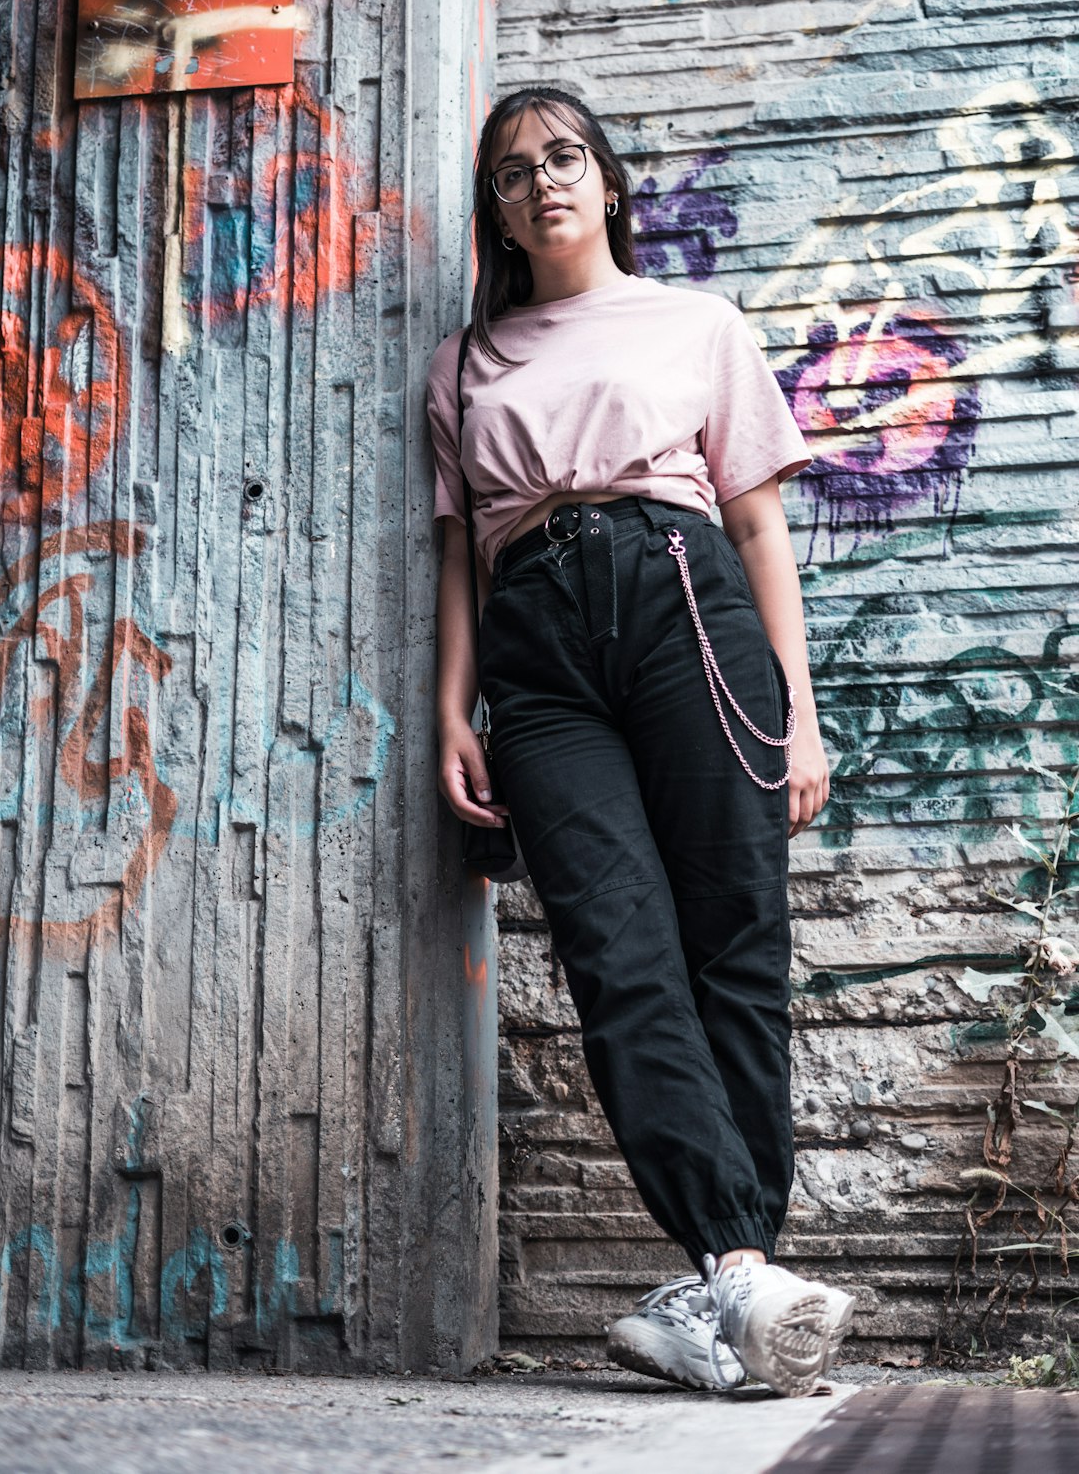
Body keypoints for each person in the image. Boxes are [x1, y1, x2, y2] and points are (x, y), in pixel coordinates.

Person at [425, 85, 854, 1398]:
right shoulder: (460, 367)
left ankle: (732, 1275)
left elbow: (763, 524)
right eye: (512, 172)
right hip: (539, 658)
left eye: (564, 159)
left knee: (735, 941)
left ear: (608, 183)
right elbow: (462, 558)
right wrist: (457, 704)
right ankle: (743, 1284)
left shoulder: (697, 325)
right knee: (617, 951)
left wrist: (802, 711)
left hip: (682, 597)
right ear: (494, 211)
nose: (542, 182)